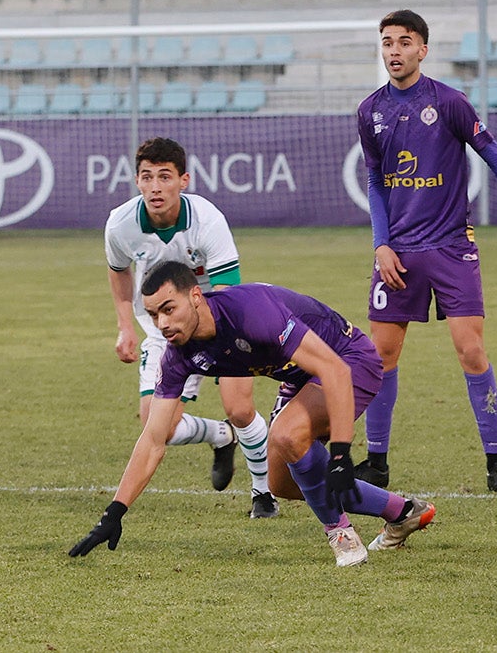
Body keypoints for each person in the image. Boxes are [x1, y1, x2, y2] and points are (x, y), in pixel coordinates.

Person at [70, 262, 436, 567]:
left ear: (195, 296)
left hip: (349, 359)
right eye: (153, 315)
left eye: (169, 309)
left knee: (287, 436)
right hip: (298, 376)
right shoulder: (178, 354)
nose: (162, 324)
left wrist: (340, 452)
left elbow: (335, 371)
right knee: (282, 484)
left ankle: (341, 534)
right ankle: (402, 512)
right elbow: (153, 439)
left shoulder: (249, 311)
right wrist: (114, 512)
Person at [355, 9, 497, 493]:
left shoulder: (449, 103)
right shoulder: (370, 111)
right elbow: (377, 182)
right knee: (380, 355)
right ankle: (376, 462)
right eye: (387, 42)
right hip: (398, 253)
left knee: (471, 351)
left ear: (423, 49)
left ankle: (496, 464)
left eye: (405, 42)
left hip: (450, 248)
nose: (395, 51)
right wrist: (381, 243)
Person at [105, 137, 277, 519]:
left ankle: (263, 493)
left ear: (183, 180)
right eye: (146, 177)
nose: (155, 187)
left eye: (164, 177)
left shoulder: (207, 220)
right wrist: (124, 327)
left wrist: (218, 343)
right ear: (136, 181)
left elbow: (230, 291)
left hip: (222, 323)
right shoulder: (120, 225)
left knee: (240, 408)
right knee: (156, 425)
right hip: (163, 330)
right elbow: (118, 273)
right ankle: (220, 436)